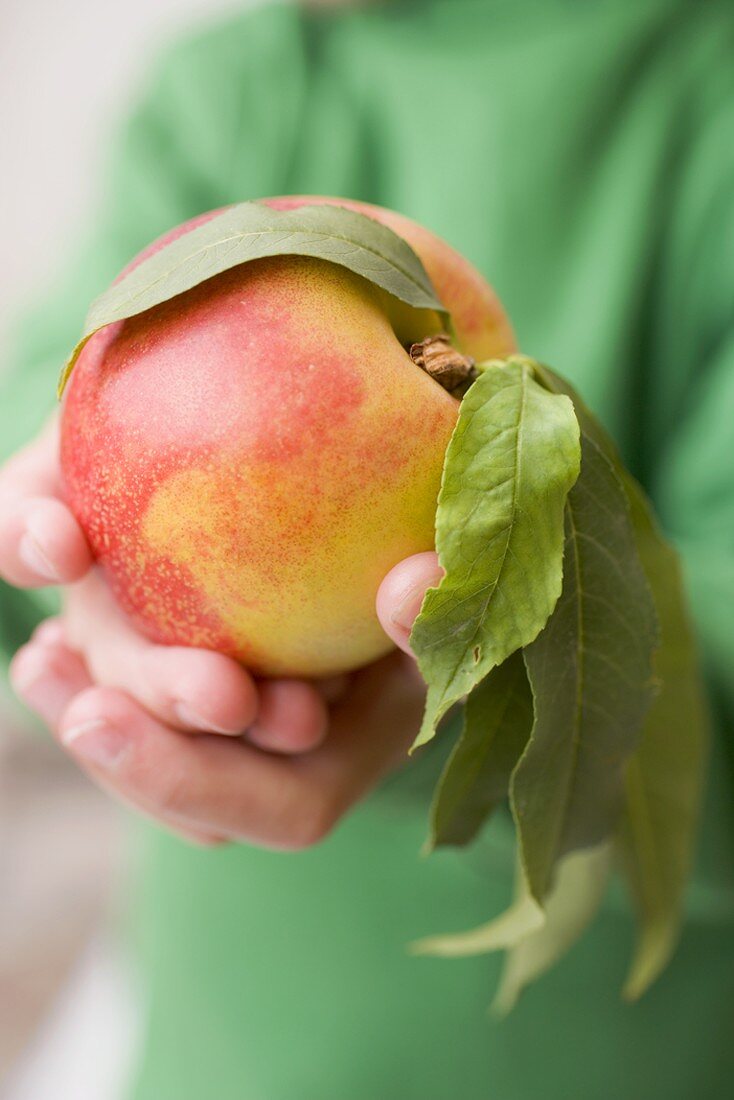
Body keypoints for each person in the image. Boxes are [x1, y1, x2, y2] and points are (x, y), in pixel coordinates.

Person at [2, 1, 733, 1097]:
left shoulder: (699, 104)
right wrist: (68, 567)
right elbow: (45, 411)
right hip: (214, 1053)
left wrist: (477, 695)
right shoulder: (240, 81)